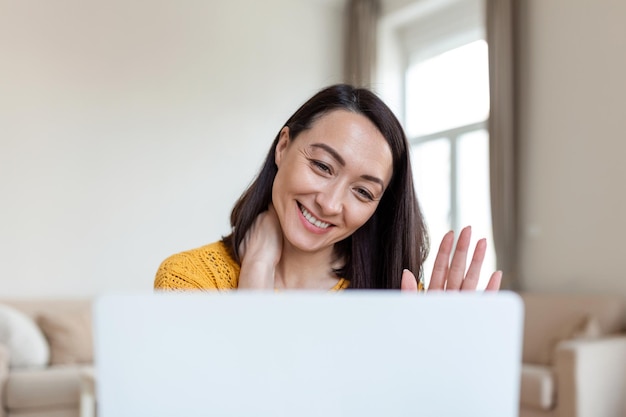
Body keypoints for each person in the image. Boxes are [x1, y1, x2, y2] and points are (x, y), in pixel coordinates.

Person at [154, 84, 502, 292]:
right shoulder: (191, 279)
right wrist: (256, 272)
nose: (331, 204)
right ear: (283, 146)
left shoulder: (401, 297)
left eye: (363, 192)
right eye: (322, 166)